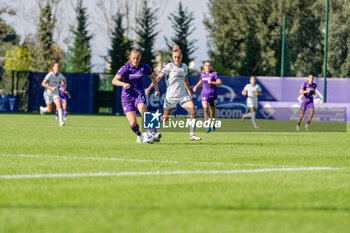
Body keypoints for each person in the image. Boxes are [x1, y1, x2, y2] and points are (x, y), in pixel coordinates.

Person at [146, 45, 201, 141]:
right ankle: (151, 126)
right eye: (175, 57)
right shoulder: (169, 67)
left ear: (181, 57)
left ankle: (192, 135)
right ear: (172, 57)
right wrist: (150, 88)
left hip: (183, 96)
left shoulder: (184, 66)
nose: (177, 59)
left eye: (178, 57)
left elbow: (185, 79)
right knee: (165, 118)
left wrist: (188, 90)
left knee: (193, 112)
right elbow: (158, 77)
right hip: (171, 97)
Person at [112, 48, 160, 143]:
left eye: (137, 58)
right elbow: (114, 80)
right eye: (133, 58)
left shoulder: (145, 67)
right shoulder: (125, 68)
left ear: (140, 58)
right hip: (127, 97)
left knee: (143, 107)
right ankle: (139, 135)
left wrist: (156, 89)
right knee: (133, 123)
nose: (135, 60)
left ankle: (153, 133)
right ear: (130, 57)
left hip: (138, 93)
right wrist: (123, 84)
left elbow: (153, 78)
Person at [192, 61, 222, 133]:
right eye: (206, 66)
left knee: (212, 112)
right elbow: (201, 81)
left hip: (213, 95)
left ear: (210, 67)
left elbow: (220, 83)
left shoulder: (214, 74)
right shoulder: (202, 74)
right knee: (205, 109)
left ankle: (212, 124)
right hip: (204, 94)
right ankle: (207, 126)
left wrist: (212, 82)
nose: (207, 67)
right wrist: (196, 86)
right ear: (204, 67)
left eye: (209, 66)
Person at [40, 62, 66, 127]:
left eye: (58, 67)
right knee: (49, 110)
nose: (57, 68)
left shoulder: (60, 75)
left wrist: (62, 87)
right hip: (48, 94)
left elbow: (63, 80)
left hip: (55, 93)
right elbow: (43, 84)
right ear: (53, 68)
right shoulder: (49, 75)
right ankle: (42, 109)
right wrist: (51, 87)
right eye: (56, 67)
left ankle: (61, 122)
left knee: (59, 106)